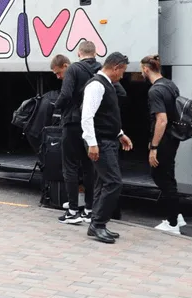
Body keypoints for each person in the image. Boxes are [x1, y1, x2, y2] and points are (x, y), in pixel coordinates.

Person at [81, 52, 133, 244]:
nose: (123, 76)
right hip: (100, 142)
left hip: (106, 140)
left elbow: (106, 115)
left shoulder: (106, 85)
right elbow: (87, 116)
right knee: (113, 183)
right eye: (123, 71)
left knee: (103, 183)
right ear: (116, 67)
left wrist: (120, 134)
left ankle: (97, 224)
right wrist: (92, 143)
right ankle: (98, 224)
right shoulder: (96, 85)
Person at [141, 54, 187, 234]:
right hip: (173, 138)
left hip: (164, 140)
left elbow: (162, 120)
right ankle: (177, 216)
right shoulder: (170, 84)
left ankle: (173, 223)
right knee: (168, 176)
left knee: (160, 177)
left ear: (146, 69)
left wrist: (153, 147)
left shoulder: (154, 91)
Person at [50, 49, 95, 224]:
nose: (58, 77)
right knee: (88, 166)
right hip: (88, 124)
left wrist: (56, 107)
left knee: (69, 166)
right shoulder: (97, 70)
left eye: (58, 72)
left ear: (65, 66)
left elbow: (66, 94)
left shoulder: (72, 70)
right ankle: (89, 209)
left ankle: (73, 211)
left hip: (72, 122)